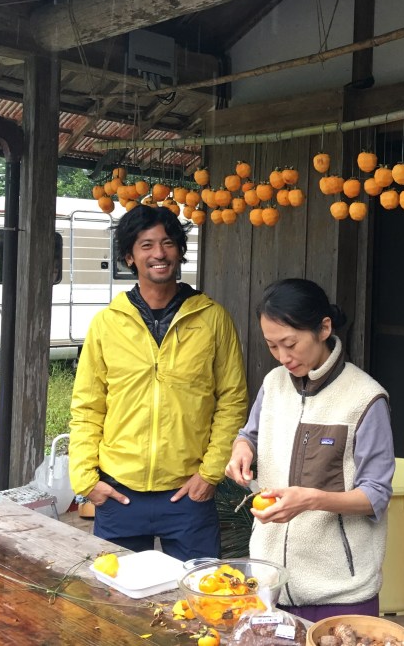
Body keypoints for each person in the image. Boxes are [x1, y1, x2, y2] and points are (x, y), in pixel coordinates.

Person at [69, 204, 248, 561]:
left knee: (197, 592)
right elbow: (88, 406)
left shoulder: (212, 318)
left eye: (167, 243)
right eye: (146, 245)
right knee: (117, 593)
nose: (159, 254)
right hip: (118, 492)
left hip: (188, 493)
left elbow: (232, 401)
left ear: (180, 251)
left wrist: (210, 474)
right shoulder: (107, 323)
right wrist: (86, 480)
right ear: (129, 257)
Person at [225, 278, 394, 621]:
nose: (283, 357)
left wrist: (311, 500)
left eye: (290, 344)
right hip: (269, 582)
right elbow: (249, 434)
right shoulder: (273, 384)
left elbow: (376, 495)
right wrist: (241, 449)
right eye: (272, 346)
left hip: (340, 593)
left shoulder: (365, 398)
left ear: (323, 328)